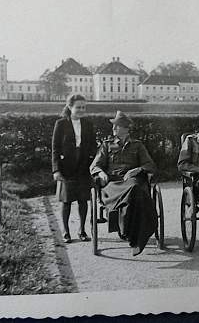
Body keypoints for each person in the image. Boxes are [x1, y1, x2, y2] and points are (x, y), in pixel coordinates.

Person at [90, 111, 158, 256]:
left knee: (135, 187)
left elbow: (150, 165)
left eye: (117, 126)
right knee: (134, 191)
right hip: (112, 184)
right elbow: (94, 166)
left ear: (126, 128)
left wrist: (137, 169)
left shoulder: (138, 146)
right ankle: (129, 233)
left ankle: (131, 235)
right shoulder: (106, 145)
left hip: (132, 181)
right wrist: (101, 173)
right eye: (113, 126)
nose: (113, 129)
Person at [52, 94, 97, 244]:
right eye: (78, 107)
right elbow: (55, 149)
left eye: (83, 107)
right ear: (70, 107)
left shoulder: (88, 124)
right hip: (67, 168)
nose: (81, 110)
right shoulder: (61, 124)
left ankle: (82, 230)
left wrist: (93, 164)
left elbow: (92, 146)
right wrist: (56, 170)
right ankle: (66, 231)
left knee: (83, 200)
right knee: (66, 201)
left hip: (84, 167)